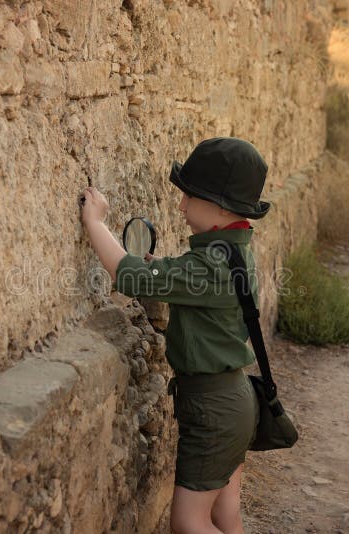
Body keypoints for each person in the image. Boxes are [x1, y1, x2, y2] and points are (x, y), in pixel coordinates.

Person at [81, 137, 271, 534]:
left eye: (189, 197)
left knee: (188, 522)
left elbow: (127, 275)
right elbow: (191, 277)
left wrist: (95, 222)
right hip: (236, 402)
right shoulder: (229, 252)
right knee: (225, 515)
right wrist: (164, 268)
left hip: (214, 410)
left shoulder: (208, 264)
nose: (181, 206)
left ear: (219, 207)